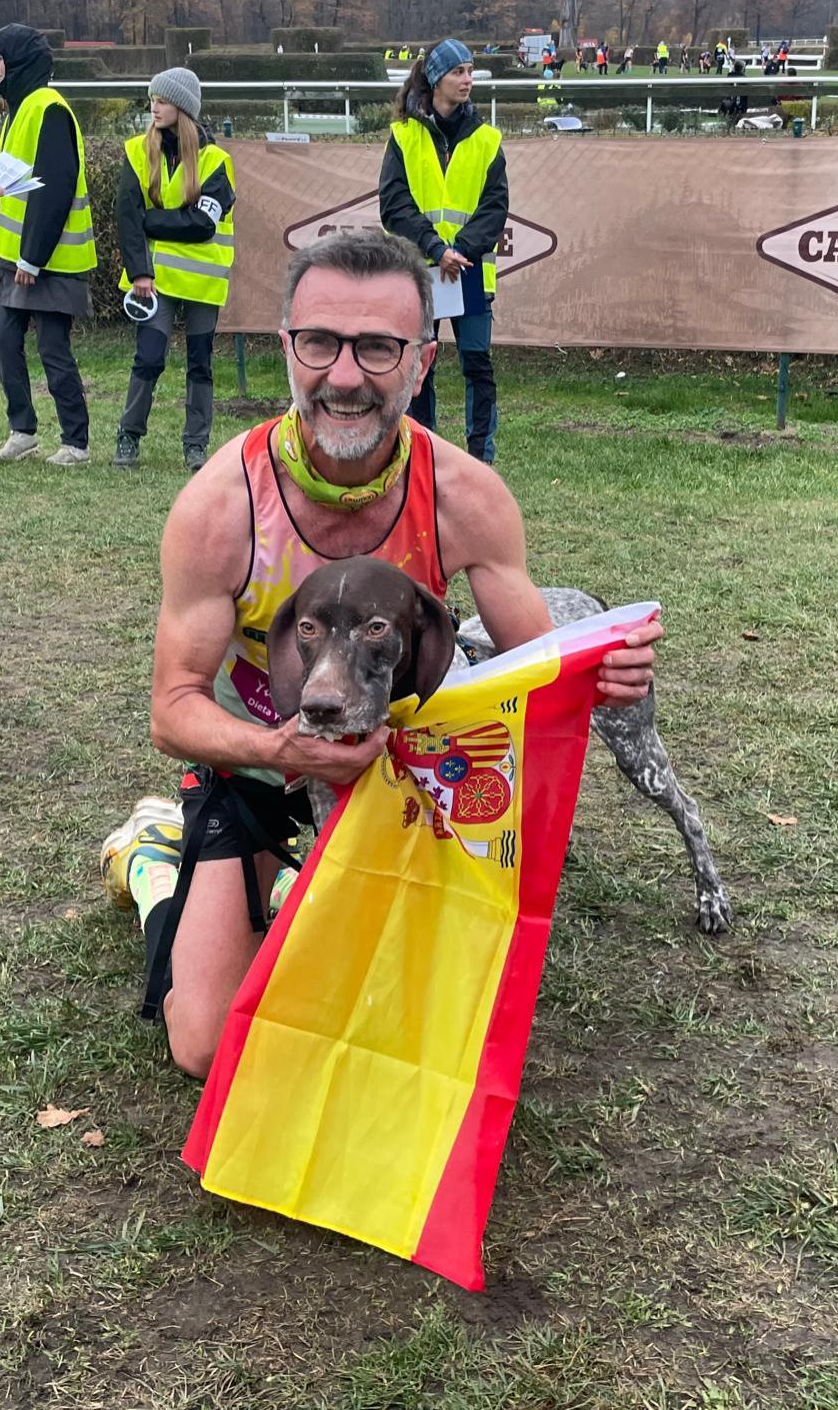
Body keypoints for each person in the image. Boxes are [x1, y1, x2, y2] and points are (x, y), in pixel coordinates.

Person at [124, 229, 663, 1076]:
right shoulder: (221, 505)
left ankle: (296, 886)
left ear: (423, 357)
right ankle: (160, 863)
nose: (344, 375)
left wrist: (604, 674)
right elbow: (171, 708)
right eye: (320, 343)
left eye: (377, 347)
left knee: (412, 1015)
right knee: (207, 1047)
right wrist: (280, 750)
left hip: (406, 771)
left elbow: (539, 665)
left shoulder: (466, 496)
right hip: (259, 764)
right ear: (286, 349)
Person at [379, 37, 506, 464]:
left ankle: (479, 461)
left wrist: (461, 251)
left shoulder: (488, 140)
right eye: (458, 72)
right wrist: (436, 248)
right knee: (418, 371)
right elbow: (394, 205)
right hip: (420, 271)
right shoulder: (403, 137)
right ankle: (420, 453)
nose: (467, 80)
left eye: (470, 71)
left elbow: (495, 207)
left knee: (477, 366)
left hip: (468, 271)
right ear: (435, 79)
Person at [0, 24, 97, 467]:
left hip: (46, 262)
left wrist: (33, 257)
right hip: (11, 259)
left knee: (53, 350)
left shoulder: (48, 108)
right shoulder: (21, 107)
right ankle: (22, 431)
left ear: (19, 62)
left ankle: (76, 442)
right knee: (3, 342)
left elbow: (55, 188)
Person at [114, 67, 235, 472]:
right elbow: (125, 218)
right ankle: (128, 436)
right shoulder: (135, 151)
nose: (154, 107)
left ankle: (196, 446)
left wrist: (151, 220)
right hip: (154, 279)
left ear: (183, 107)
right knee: (148, 358)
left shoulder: (217, 161)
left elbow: (203, 224)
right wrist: (139, 273)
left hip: (203, 281)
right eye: (152, 99)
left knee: (200, 363)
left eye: (162, 100)